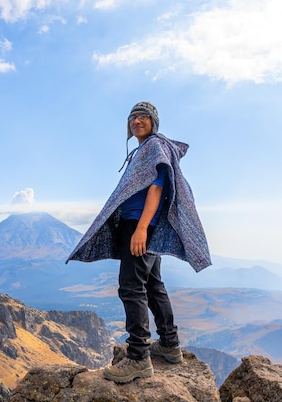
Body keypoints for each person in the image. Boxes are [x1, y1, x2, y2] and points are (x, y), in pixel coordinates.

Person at [66, 101, 211, 383]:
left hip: (141, 225)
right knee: (153, 284)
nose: (137, 120)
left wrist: (142, 228)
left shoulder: (154, 147)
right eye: (133, 117)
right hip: (142, 226)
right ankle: (169, 345)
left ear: (154, 121)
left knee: (131, 288)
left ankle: (138, 358)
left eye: (143, 116)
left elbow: (156, 189)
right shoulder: (143, 149)